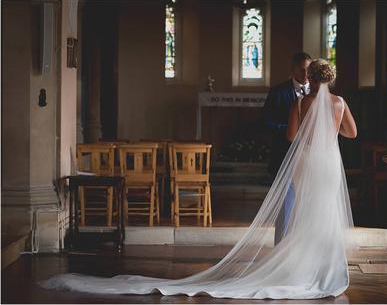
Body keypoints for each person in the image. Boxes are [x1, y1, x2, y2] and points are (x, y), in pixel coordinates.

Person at [40, 59, 358, 300]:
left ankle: (300, 269)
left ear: (310, 77)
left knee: (305, 213)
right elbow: (351, 133)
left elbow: (290, 137)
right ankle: (325, 271)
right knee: (325, 213)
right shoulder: (340, 103)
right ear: (330, 79)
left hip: (305, 163)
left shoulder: (301, 102)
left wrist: (308, 131)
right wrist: (329, 132)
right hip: (329, 164)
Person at [262, 52, 312, 244]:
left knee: (307, 206)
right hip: (284, 154)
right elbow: (265, 123)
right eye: (302, 69)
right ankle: (281, 250)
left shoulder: (318, 93)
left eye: (309, 70)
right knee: (286, 206)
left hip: (310, 158)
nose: (306, 74)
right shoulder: (278, 92)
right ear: (293, 69)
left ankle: (303, 248)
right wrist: (290, 130)